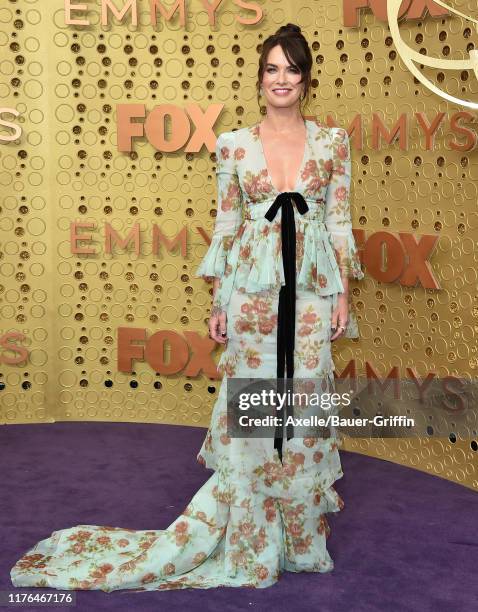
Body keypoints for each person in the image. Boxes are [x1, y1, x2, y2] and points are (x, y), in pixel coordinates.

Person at [10, 23, 364, 592]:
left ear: (306, 80)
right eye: (272, 68)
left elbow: (340, 221)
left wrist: (343, 292)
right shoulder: (233, 145)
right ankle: (249, 542)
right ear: (259, 78)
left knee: (300, 411)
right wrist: (221, 301)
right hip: (251, 297)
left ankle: (298, 541)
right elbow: (227, 226)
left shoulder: (333, 143)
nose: (281, 79)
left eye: (291, 69)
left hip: (312, 295)